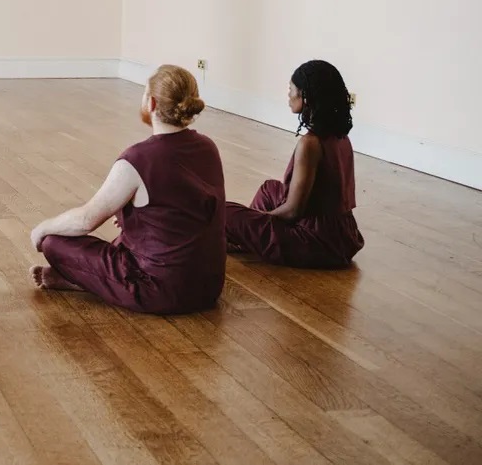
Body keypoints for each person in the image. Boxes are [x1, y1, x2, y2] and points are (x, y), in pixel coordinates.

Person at [29, 65, 226, 314]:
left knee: (53, 242)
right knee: (123, 235)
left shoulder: (138, 159)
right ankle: (87, 281)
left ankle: (87, 281)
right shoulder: (208, 147)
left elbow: (86, 220)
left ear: (151, 103)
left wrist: (42, 228)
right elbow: (179, 211)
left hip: (159, 291)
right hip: (207, 287)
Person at [225, 60, 363, 268]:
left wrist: (257, 219)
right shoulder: (340, 136)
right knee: (269, 189)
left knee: (226, 212)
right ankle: (249, 239)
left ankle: (245, 239)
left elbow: (293, 212)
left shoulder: (310, 144)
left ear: (305, 97)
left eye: (291, 89)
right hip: (342, 234)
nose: (288, 95)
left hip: (318, 242)